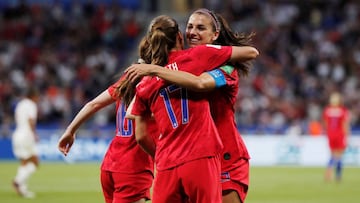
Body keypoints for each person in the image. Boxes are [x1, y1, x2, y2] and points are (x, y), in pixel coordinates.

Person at [126, 8, 254, 203]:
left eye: (201, 28)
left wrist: (154, 70)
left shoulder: (225, 67)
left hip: (226, 156)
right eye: (190, 26)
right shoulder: (183, 63)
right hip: (190, 156)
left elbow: (200, 83)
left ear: (215, 35)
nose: (193, 32)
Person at [57, 37, 158, 203]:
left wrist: (70, 131)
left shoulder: (126, 80)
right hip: (134, 167)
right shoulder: (154, 83)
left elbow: (93, 104)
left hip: (110, 164)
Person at [12, 87, 40, 198]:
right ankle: (18, 182)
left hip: (18, 134)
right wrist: (34, 134)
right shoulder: (31, 105)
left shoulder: (20, 104)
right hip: (26, 136)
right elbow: (31, 120)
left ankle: (21, 188)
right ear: (33, 95)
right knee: (34, 162)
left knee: (25, 162)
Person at [322, 92, 350, 182]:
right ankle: (338, 175)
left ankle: (329, 171)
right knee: (339, 155)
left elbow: (325, 124)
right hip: (340, 134)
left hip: (331, 134)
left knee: (332, 155)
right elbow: (344, 124)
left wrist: (328, 133)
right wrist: (347, 135)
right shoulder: (343, 110)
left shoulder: (327, 110)